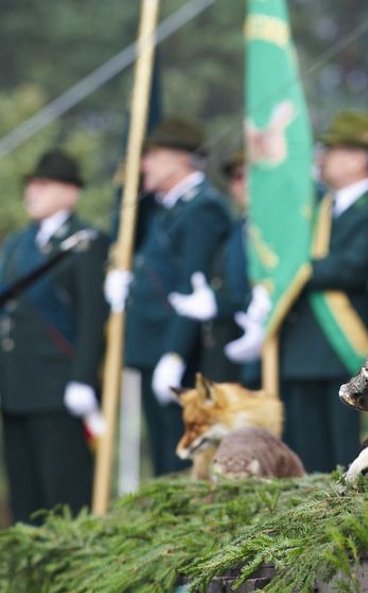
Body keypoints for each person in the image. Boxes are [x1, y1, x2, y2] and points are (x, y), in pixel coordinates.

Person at [104, 116, 231, 476]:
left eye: (153, 156)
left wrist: (175, 353)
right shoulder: (167, 208)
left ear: (181, 159)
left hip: (178, 353)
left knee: (180, 454)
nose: (144, 166)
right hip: (151, 347)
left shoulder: (203, 208)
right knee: (160, 455)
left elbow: (193, 289)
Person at [0, 149, 109, 523]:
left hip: (59, 388)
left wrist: (81, 379)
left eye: (43, 184)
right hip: (15, 385)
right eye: (31, 184)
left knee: (64, 495)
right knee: (25, 496)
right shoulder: (16, 243)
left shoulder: (85, 242)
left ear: (71, 192)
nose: (32, 192)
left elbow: (92, 317)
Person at [277, 109, 368, 472]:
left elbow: (354, 266)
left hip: (344, 349)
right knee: (309, 458)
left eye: (334, 151)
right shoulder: (316, 211)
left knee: (346, 455)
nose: (323, 158)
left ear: (359, 158)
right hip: (303, 351)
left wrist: (298, 269)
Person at [167, 148, 259, 387]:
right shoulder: (239, 227)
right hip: (224, 347)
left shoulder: (273, 231)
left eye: (252, 176)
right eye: (236, 178)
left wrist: (219, 304)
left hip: (254, 351)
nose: (243, 185)